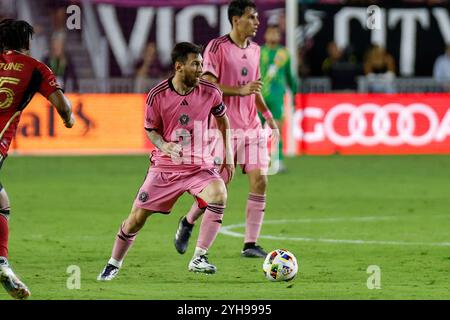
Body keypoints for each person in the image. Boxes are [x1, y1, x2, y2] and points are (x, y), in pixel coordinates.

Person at [97, 42, 234, 280]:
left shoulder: (211, 92)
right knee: (135, 220)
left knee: (219, 194)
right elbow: (150, 129)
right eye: (195, 64)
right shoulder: (157, 95)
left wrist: (229, 155)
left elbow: (223, 121)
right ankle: (113, 263)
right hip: (165, 167)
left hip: (199, 166)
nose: (201, 69)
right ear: (179, 66)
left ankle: (199, 257)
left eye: (202, 64)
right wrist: (163, 145)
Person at [174, 0, 279, 259]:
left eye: (256, 18)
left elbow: (253, 90)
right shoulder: (216, 47)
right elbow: (207, 84)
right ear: (235, 20)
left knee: (260, 180)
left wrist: (269, 117)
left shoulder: (255, 50)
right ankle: (188, 221)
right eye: (252, 17)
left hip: (252, 127)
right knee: (219, 187)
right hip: (224, 128)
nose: (257, 22)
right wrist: (239, 90)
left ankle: (250, 244)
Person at [0, 19, 75, 299]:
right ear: (28, 42)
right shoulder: (35, 68)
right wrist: (69, 119)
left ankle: (2, 264)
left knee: (0, 202)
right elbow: (62, 106)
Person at [260, 24, 298, 172]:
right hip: (259, 95)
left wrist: (294, 93)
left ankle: (279, 161)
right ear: (265, 35)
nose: (273, 36)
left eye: (276, 33)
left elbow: (290, 76)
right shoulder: (258, 52)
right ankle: (257, 161)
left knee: (277, 128)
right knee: (256, 130)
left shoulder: (284, 54)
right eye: (271, 33)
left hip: (276, 95)